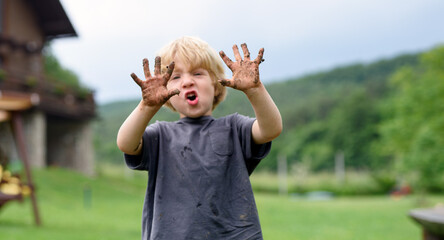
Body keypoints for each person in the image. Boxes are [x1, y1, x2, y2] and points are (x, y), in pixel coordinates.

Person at [117, 36, 282, 240]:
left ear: (216, 85)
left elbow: (270, 129)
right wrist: (148, 106)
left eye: (197, 73)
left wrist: (255, 90)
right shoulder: (160, 135)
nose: (187, 81)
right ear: (165, 92)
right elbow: (126, 143)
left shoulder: (234, 128)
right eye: (175, 77)